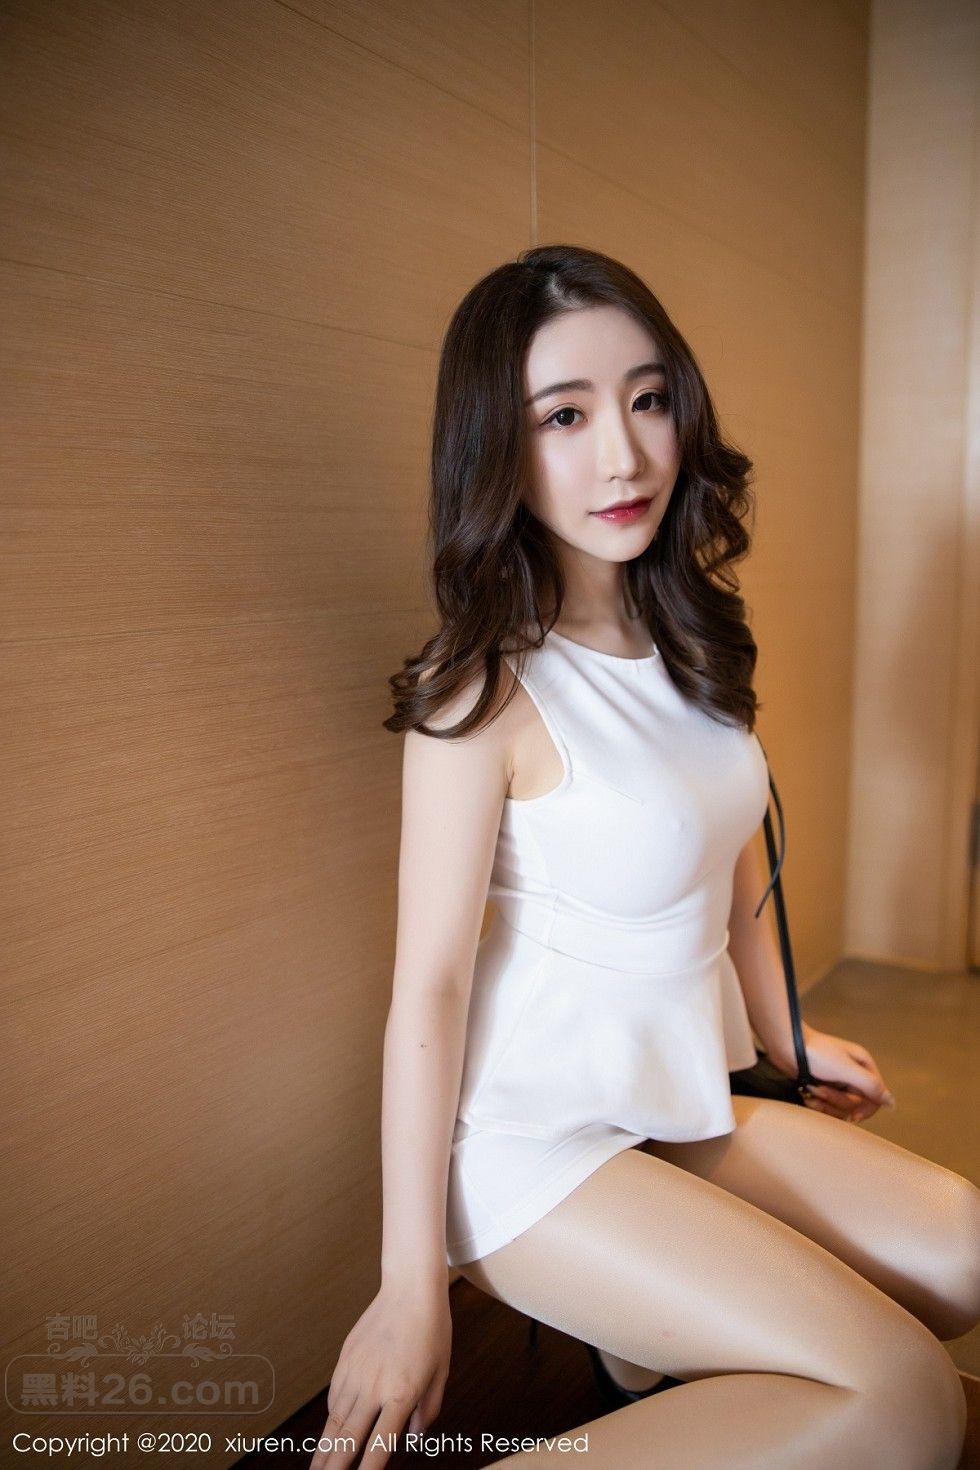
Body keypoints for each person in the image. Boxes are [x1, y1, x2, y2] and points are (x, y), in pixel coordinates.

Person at [309, 246, 980, 1470]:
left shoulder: (687, 635)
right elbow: (430, 989)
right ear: (497, 449)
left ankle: (643, 1351)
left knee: (962, 1255)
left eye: (647, 398)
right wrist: (407, 1285)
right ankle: (643, 1344)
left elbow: (731, 862)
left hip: (672, 1107)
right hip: (533, 1148)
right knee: (909, 1403)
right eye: (562, 417)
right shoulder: (483, 690)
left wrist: (785, 1038)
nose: (623, 456)